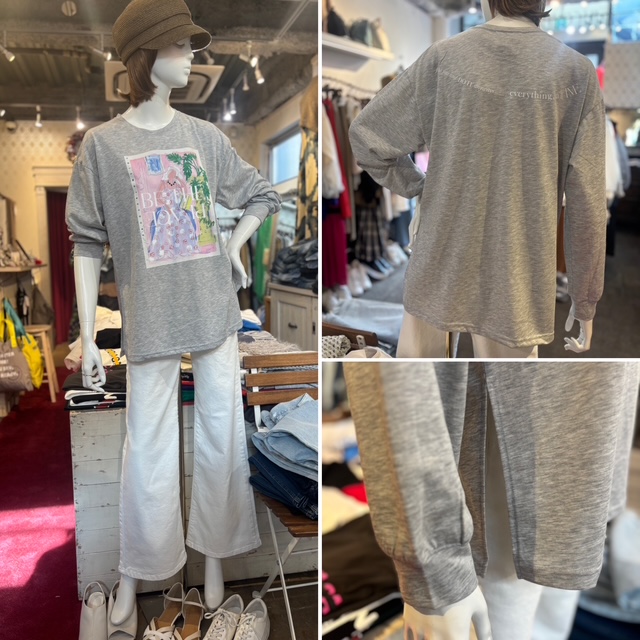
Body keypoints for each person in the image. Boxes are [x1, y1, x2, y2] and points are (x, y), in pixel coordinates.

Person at [66, 0, 281, 631]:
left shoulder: (205, 138)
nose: (192, 57)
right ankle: (137, 574)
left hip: (214, 312)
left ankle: (213, 565)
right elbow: (86, 242)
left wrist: (232, 248)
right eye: (181, 46)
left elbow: (262, 194)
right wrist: (88, 337)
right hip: (150, 320)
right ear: (146, 55)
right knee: (147, 454)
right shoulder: (103, 147)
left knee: (220, 441)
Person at [349, 0, 607, 358]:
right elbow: (588, 203)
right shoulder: (576, 72)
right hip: (517, 275)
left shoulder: (444, 58)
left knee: (422, 386)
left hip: (440, 256)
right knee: (508, 391)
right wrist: (584, 299)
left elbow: (367, 137)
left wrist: (423, 188)